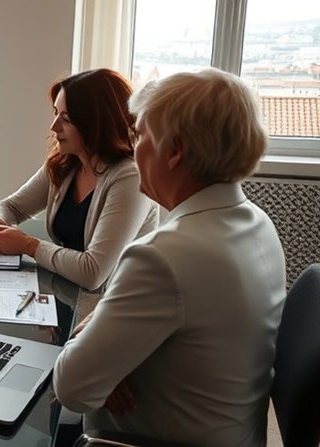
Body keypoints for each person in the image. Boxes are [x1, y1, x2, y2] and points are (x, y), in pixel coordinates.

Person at [53, 69, 286, 446]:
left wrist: (91, 334)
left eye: (141, 134)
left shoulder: (162, 258)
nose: (135, 146)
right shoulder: (258, 224)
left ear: (174, 151)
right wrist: (108, 351)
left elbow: (73, 388)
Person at [0, 69, 156, 305]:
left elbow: (93, 273)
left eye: (66, 119)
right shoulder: (66, 163)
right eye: (55, 113)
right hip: (68, 301)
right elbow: (11, 207)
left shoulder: (130, 178)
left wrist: (28, 245)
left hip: (113, 312)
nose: (53, 126)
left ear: (97, 124)